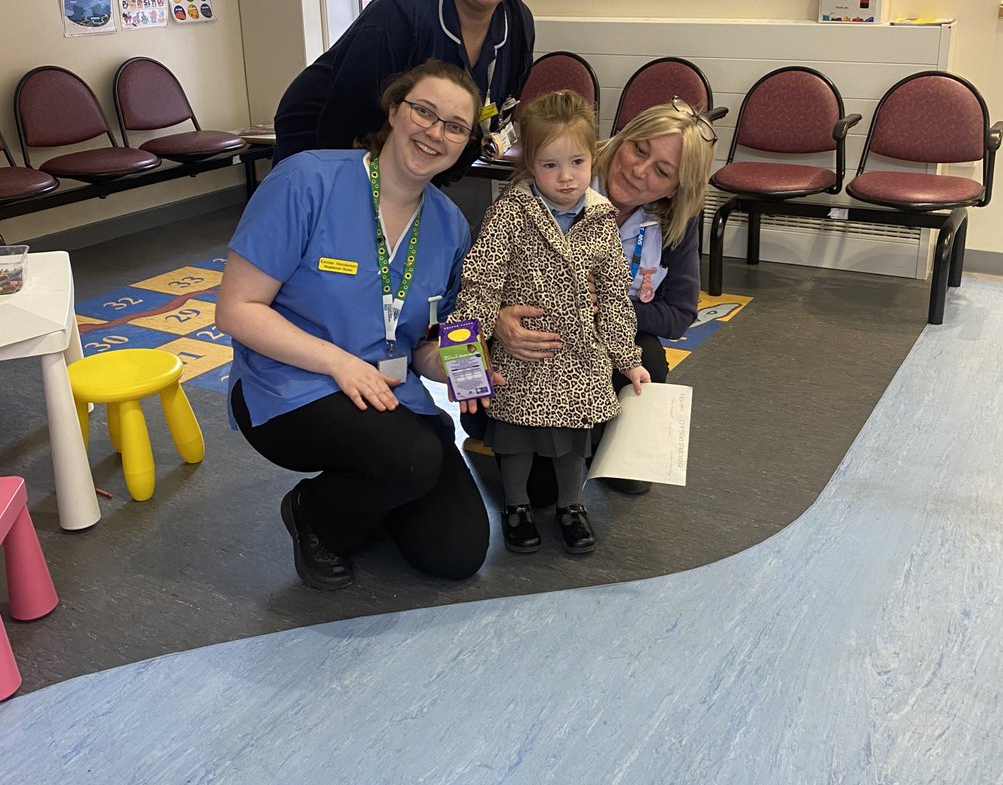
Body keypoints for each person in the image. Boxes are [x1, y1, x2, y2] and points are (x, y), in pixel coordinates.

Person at [216, 60, 492, 590]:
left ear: (464, 143)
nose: (435, 133)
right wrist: (338, 362)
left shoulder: (449, 225)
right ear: (394, 111)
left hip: (386, 393)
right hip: (290, 387)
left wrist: (468, 368)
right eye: (424, 112)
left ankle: (375, 488)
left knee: (456, 553)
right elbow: (236, 309)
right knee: (411, 458)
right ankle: (313, 512)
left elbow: (424, 347)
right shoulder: (307, 180)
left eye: (455, 126)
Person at [462, 96, 718, 500]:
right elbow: (474, 279)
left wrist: (603, 305)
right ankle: (504, 432)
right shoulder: (542, 182)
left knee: (646, 355)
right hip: (529, 351)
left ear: (675, 189)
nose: (638, 171)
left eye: (661, 171)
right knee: (539, 494)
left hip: (593, 348)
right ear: (623, 137)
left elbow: (679, 315)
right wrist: (493, 324)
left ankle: (607, 441)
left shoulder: (673, 223)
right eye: (639, 149)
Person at [452, 91, 650, 555]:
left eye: (577, 162)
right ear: (528, 164)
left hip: (579, 357)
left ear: (593, 156)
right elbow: (479, 284)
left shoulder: (601, 217)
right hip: (521, 356)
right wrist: (464, 367)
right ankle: (515, 505)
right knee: (516, 440)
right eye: (549, 165)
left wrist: (627, 359)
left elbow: (616, 301)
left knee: (573, 442)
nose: (566, 177)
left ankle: (570, 505)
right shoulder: (509, 213)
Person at [272, 0, 535, 182]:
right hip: (322, 140)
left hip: (405, 156)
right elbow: (346, 127)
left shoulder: (518, 26)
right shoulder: (392, 21)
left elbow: (494, 112)